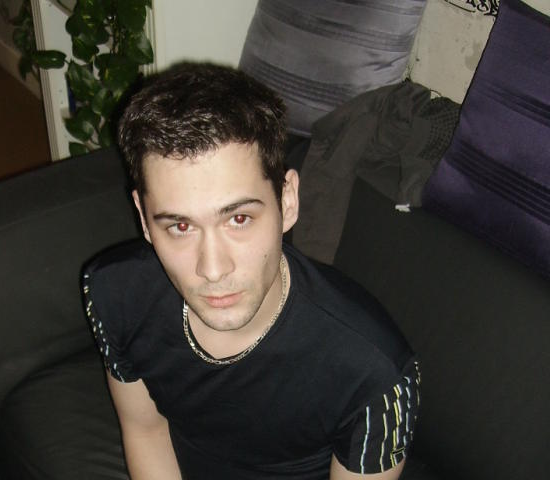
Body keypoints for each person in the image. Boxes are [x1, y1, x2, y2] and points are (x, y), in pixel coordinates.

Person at [82, 63, 420, 480]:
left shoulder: (372, 373)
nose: (212, 269)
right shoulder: (114, 291)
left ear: (287, 201)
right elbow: (146, 431)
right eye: (180, 227)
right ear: (143, 217)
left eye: (238, 219)